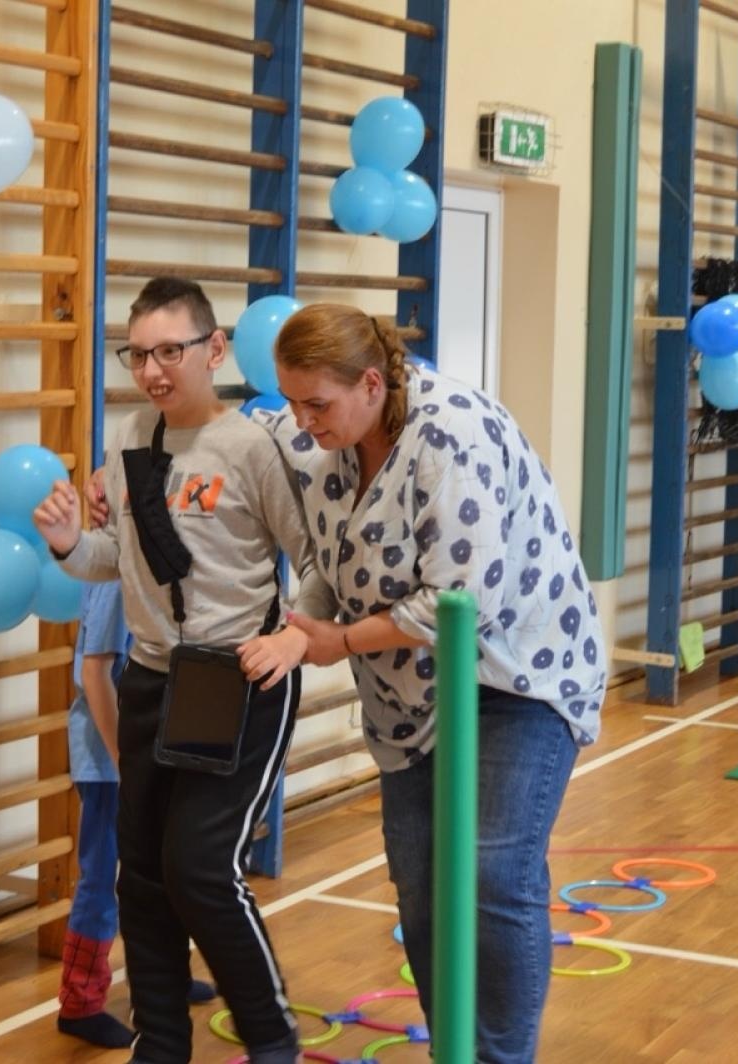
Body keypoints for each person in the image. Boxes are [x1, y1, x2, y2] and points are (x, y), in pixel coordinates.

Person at [261, 303, 606, 1062]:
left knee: (492, 871)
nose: (302, 419)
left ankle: (498, 1057)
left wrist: (338, 642)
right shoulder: (318, 444)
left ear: (373, 383)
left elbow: (465, 605)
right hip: (409, 697)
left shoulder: (452, 432)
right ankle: (456, 1046)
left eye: (316, 403)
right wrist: (299, 629)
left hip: (517, 671)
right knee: (420, 889)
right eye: (291, 401)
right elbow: (325, 562)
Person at [33, 277, 329, 1064]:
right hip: (152, 680)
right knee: (142, 875)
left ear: (214, 350)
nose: (155, 369)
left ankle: (271, 1040)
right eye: (140, 354)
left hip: (239, 681)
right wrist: (68, 542)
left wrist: (295, 638)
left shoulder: (253, 447)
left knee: (200, 866)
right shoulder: (131, 438)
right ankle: (159, 1044)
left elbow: (318, 564)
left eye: (172, 350)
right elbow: (114, 563)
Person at [55, 579, 215, 1048]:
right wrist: (122, 758)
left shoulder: (153, 566)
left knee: (167, 870)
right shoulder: (113, 577)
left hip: (151, 749)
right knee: (102, 877)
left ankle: (168, 980)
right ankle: (79, 1003)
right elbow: (94, 673)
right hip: (111, 760)